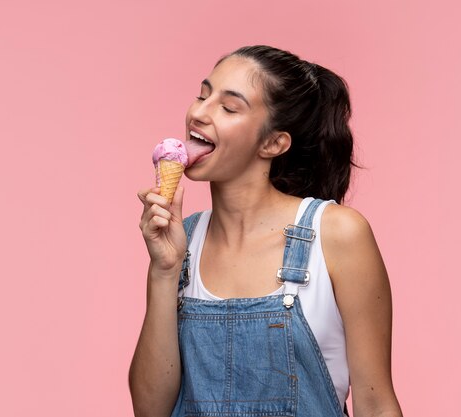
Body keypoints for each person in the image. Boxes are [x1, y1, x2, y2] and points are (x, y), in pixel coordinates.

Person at [129, 45, 403, 417]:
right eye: (202, 95)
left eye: (228, 107)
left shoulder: (336, 234)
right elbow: (150, 410)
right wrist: (163, 271)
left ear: (274, 143)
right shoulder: (184, 240)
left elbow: (376, 406)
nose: (198, 113)